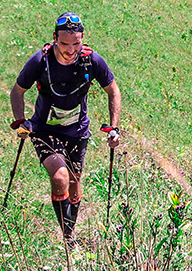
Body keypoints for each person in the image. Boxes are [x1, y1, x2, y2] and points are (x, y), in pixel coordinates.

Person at [10, 13, 121, 244]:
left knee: (74, 181)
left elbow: (113, 91)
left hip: (77, 131)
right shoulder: (40, 61)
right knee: (60, 177)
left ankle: (70, 227)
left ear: (83, 39)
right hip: (43, 129)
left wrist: (114, 128)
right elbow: (17, 91)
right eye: (64, 44)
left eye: (76, 44)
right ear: (54, 39)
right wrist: (21, 122)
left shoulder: (92, 61)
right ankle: (69, 236)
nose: (71, 50)